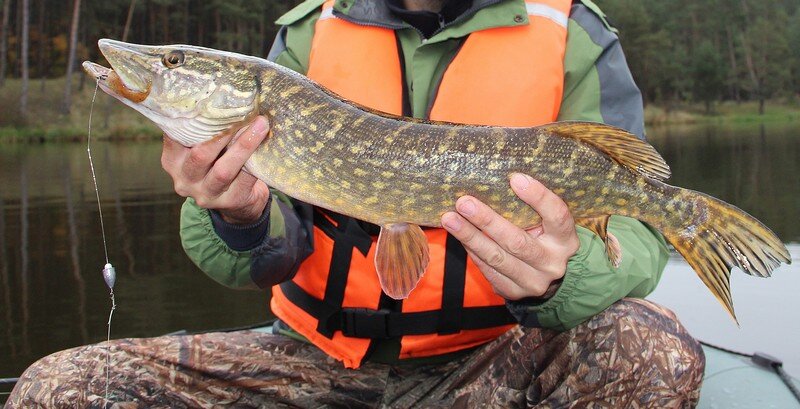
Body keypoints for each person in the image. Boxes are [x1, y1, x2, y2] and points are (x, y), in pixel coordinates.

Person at [8, 0, 705, 407]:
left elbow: (641, 231)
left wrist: (563, 273)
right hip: (314, 359)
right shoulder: (313, 32)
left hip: (490, 360)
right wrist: (238, 215)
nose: (160, 69)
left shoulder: (572, 31)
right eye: (174, 65)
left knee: (655, 348)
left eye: (174, 65)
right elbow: (268, 246)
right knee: (60, 388)